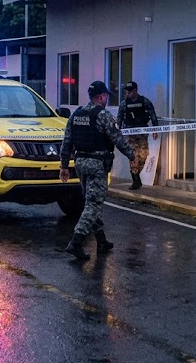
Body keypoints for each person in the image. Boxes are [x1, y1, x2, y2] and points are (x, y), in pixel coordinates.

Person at [58, 80, 137, 260]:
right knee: (93, 204)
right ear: (101, 96)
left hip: (80, 163)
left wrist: (64, 166)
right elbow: (118, 139)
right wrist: (132, 156)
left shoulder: (76, 114)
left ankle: (101, 241)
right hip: (97, 165)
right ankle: (76, 242)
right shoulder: (103, 115)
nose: (106, 99)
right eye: (106, 96)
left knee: (90, 201)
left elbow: (67, 141)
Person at [117, 81, 159, 190]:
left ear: (135, 91)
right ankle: (135, 180)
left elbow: (152, 114)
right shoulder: (124, 103)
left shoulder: (144, 101)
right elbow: (119, 118)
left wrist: (155, 129)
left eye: (129, 92)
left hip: (142, 134)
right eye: (126, 92)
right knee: (133, 156)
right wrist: (118, 132)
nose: (127, 94)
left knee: (143, 156)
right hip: (130, 134)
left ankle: (137, 177)